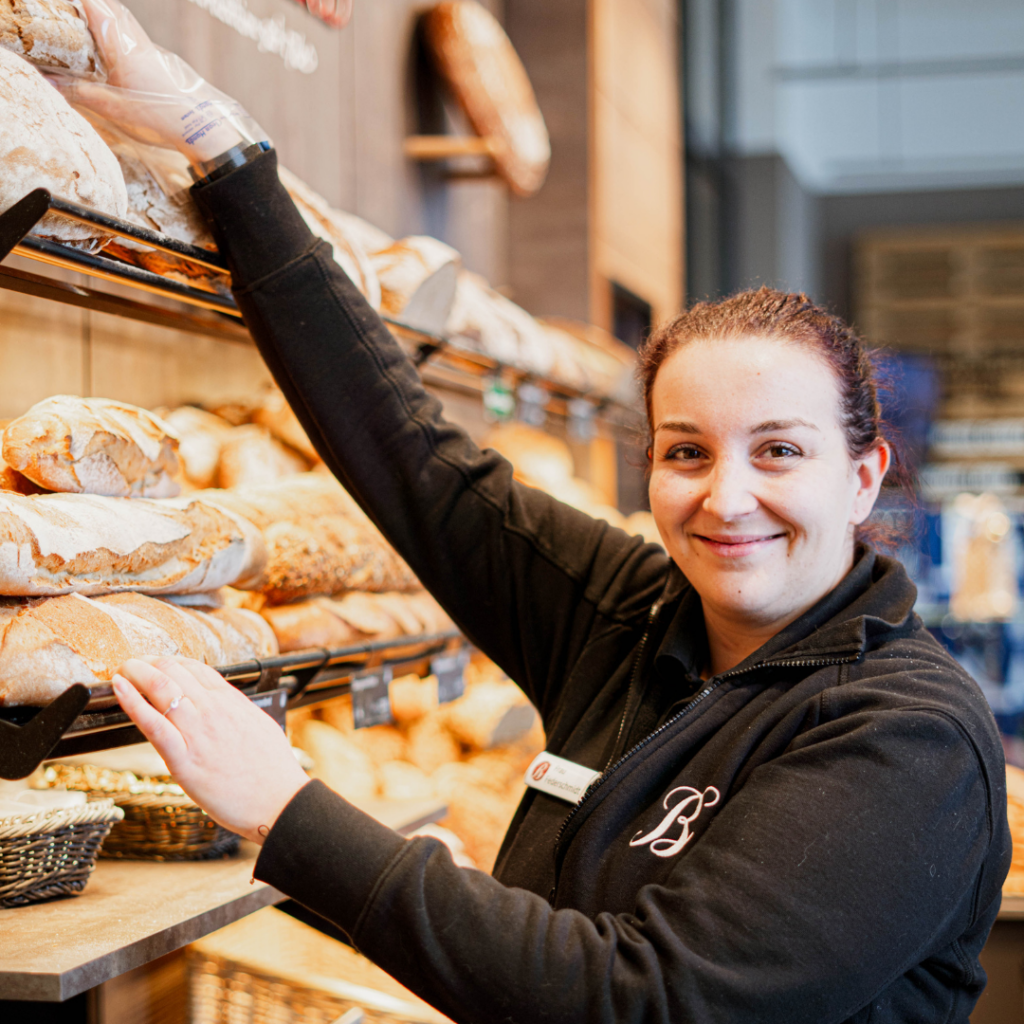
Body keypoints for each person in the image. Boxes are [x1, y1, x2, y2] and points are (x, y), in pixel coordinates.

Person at [76, 4, 1011, 1021]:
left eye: (778, 450)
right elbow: (416, 464)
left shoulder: (907, 737)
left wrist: (292, 811)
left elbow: (649, 1000)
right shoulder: (639, 614)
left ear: (862, 475)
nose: (724, 496)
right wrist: (218, 144)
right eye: (684, 451)